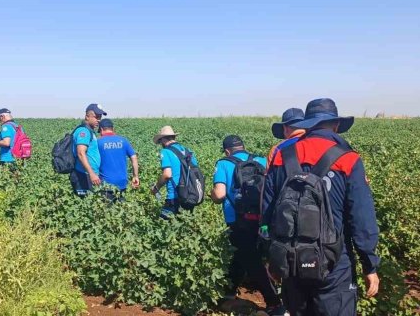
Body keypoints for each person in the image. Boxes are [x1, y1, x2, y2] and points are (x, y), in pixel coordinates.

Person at [262, 98, 380, 316]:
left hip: (291, 260)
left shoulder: (281, 157)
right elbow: (361, 218)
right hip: (334, 262)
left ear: (307, 125)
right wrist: (369, 264)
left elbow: (268, 213)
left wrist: (272, 257)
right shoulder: (349, 159)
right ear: (335, 125)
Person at [210, 135, 285, 315]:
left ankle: (274, 302)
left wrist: (212, 196)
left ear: (227, 150)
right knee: (243, 256)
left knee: (251, 261)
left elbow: (219, 194)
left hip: (238, 220)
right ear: (243, 147)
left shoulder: (223, 164)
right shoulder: (259, 160)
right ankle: (228, 293)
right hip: (264, 219)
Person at [150, 126, 199, 217]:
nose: (161, 143)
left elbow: (167, 174)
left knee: (164, 226)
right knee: (184, 225)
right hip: (189, 195)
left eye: (160, 141)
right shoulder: (188, 151)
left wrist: (156, 188)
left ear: (163, 139)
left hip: (174, 196)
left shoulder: (166, 151)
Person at [97, 118, 139, 201]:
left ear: (101, 129)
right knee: (121, 210)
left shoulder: (98, 142)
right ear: (113, 129)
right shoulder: (123, 141)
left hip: (106, 184)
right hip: (122, 183)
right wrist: (135, 176)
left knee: (107, 212)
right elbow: (134, 158)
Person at [70, 103, 106, 197]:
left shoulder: (89, 131)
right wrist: (92, 174)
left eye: (100, 117)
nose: (98, 120)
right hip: (83, 175)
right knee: (84, 205)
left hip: (88, 175)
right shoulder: (84, 132)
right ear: (87, 117)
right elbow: (81, 153)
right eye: (96, 117)